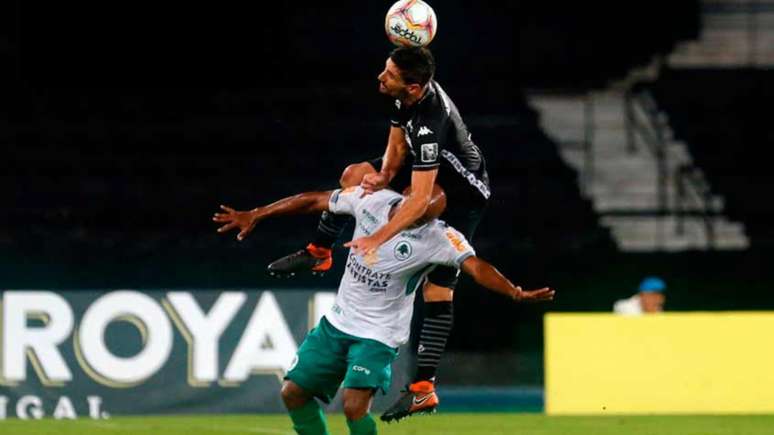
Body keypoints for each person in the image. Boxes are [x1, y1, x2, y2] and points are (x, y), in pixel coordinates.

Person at [213, 185, 553, 435]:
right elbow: (316, 200)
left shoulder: (439, 237)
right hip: (337, 324)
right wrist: (257, 213)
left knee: (353, 406)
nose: (419, 219)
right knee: (293, 394)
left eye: (427, 216)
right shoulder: (371, 201)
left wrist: (514, 291)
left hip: (378, 336)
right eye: (417, 209)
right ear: (407, 195)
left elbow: (476, 265)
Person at [267, 46, 491, 421]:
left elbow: (419, 201)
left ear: (415, 87)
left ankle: (423, 387)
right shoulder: (405, 99)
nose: (379, 77)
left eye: (388, 73)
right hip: (427, 173)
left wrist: (377, 237)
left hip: (462, 196)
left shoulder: (429, 124)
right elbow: (395, 144)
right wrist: (386, 175)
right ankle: (320, 249)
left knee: (437, 288)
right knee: (355, 176)